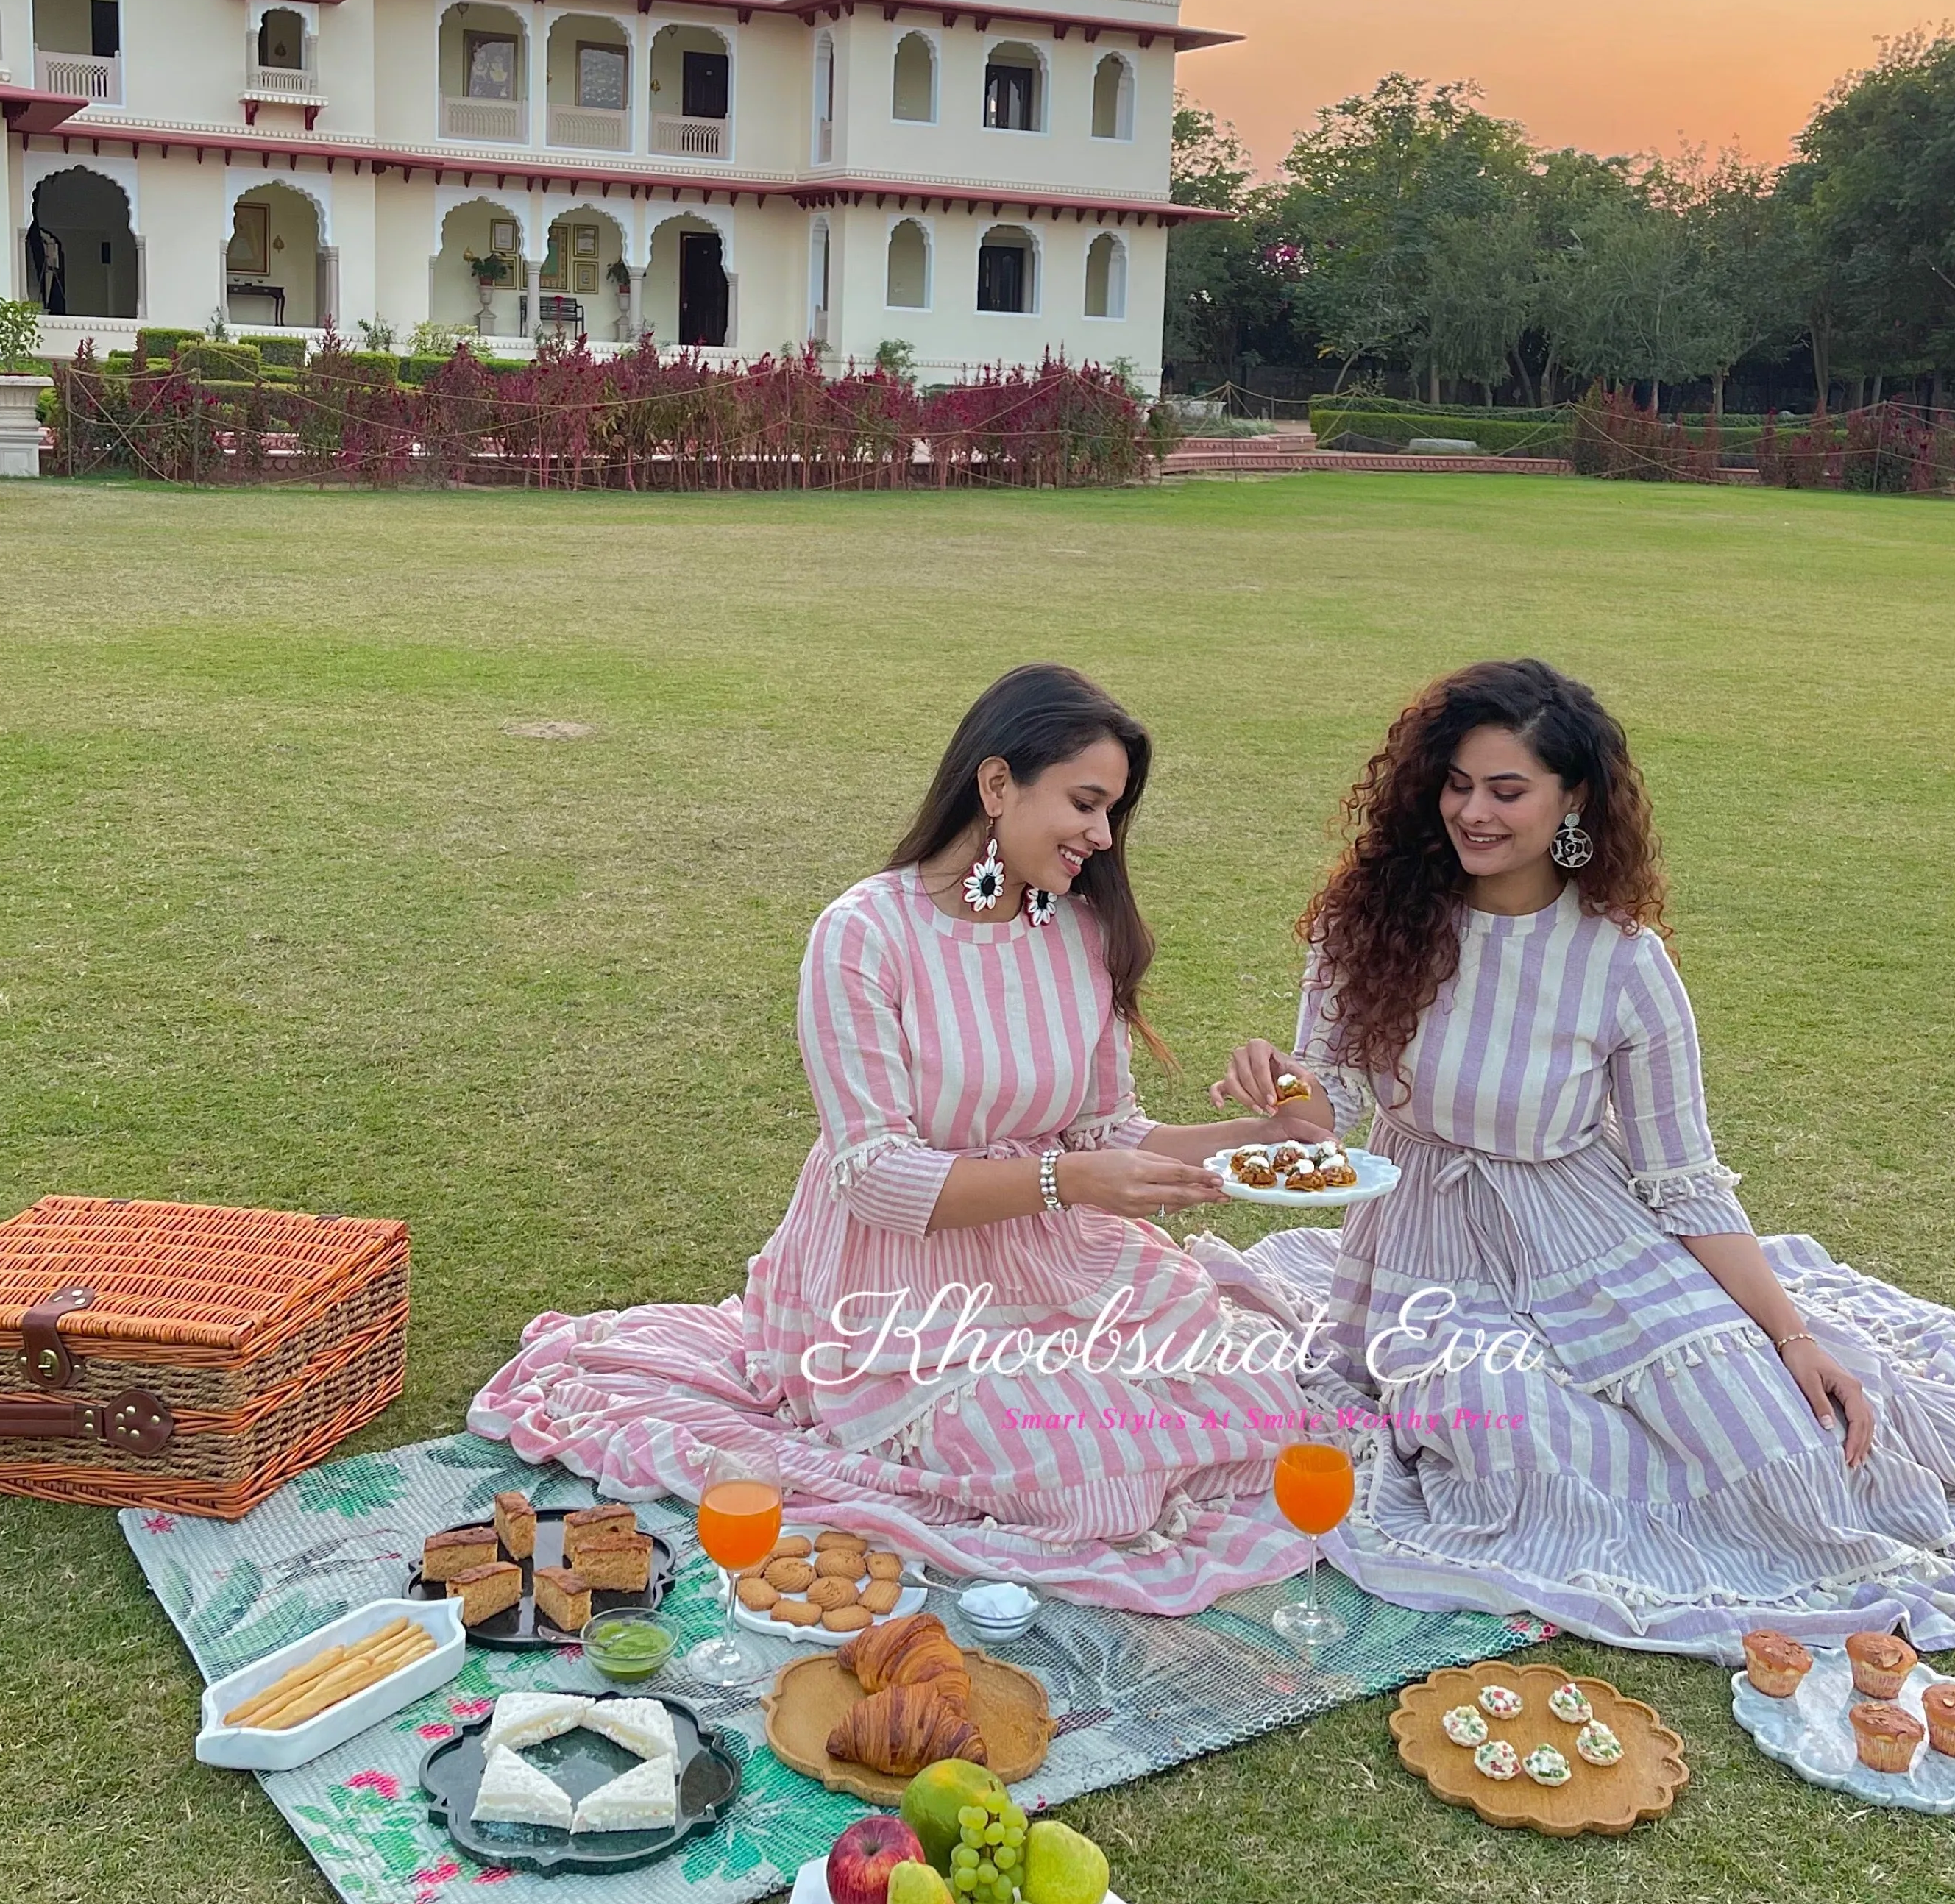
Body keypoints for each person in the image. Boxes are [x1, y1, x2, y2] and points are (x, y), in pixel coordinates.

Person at [1207, 657, 1955, 1660]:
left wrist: (1788, 1335)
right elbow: (1332, 1107)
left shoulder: (1623, 962)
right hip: (1432, 1250)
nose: (1472, 812)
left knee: (1787, 1449)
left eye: (1507, 790)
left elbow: (1683, 1177)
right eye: (1457, 784)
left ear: (1574, 798)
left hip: (1591, 1231)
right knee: (1514, 1449)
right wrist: (1285, 1085)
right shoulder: (1375, 920)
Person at [469, 664, 1323, 1611]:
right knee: (1087, 1472)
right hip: (894, 1289)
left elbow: (1110, 1131)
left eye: (1113, 811)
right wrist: (1070, 1179)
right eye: (1085, 803)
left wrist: (1280, 1131)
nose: (1102, 836)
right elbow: (873, 1174)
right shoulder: (865, 935)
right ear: (997, 786)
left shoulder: (1080, 933)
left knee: (1260, 1396)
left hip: (1059, 1262)